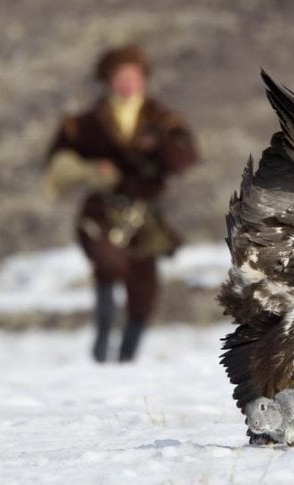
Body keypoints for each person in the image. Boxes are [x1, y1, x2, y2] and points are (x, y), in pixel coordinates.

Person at [45, 44, 198, 363]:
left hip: (146, 212)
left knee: (145, 291)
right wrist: (89, 171)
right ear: (107, 80)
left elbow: (186, 159)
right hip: (101, 209)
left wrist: (160, 147)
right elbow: (56, 162)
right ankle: (102, 344)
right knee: (108, 261)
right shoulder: (83, 123)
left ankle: (126, 358)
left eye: (134, 76)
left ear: (143, 79)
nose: (127, 83)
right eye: (120, 77)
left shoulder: (164, 119)